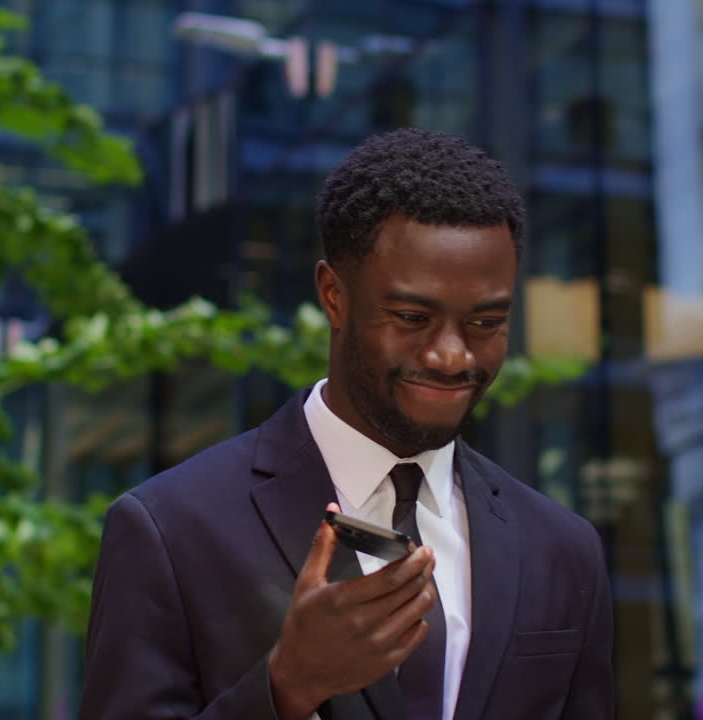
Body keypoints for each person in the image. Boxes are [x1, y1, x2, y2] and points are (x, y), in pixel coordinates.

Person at [78, 128, 613, 720]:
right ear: (334, 296)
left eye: (485, 323)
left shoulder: (564, 550)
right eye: (412, 317)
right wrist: (286, 687)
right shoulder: (169, 530)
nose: (453, 356)